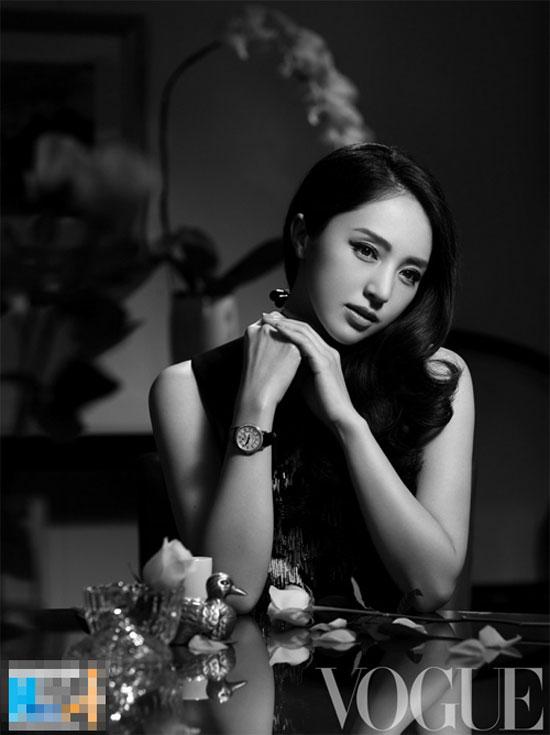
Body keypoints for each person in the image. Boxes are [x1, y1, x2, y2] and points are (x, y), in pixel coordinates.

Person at [149, 143, 475, 614]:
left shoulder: (437, 377)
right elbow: (230, 592)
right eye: (366, 250)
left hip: (399, 661)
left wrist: (347, 423)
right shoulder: (187, 389)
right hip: (251, 661)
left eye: (409, 274)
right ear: (303, 236)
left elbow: (431, 586)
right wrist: (256, 404)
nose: (382, 291)